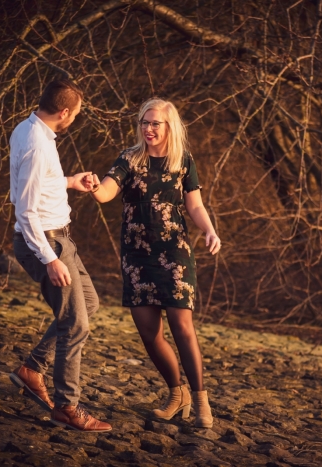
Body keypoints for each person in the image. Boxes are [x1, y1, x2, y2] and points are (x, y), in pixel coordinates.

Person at [91, 98, 221, 428]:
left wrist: (209, 230)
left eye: (155, 123)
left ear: (168, 127)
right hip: (137, 256)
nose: (148, 129)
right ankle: (177, 395)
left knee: (182, 327)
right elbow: (108, 191)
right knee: (149, 333)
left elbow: (195, 205)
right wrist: (93, 186)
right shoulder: (130, 158)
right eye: (144, 123)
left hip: (174, 252)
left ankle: (201, 400)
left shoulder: (183, 161)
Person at [7, 78, 111, 433]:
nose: (75, 120)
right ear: (64, 112)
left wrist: (69, 182)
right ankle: (67, 407)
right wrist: (49, 259)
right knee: (75, 323)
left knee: (89, 303)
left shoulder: (28, 128)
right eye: (76, 114)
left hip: (60, 239)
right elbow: (25, 210)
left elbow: (35, 184)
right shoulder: (37, 145)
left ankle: (31, 368)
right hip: (48, 244)